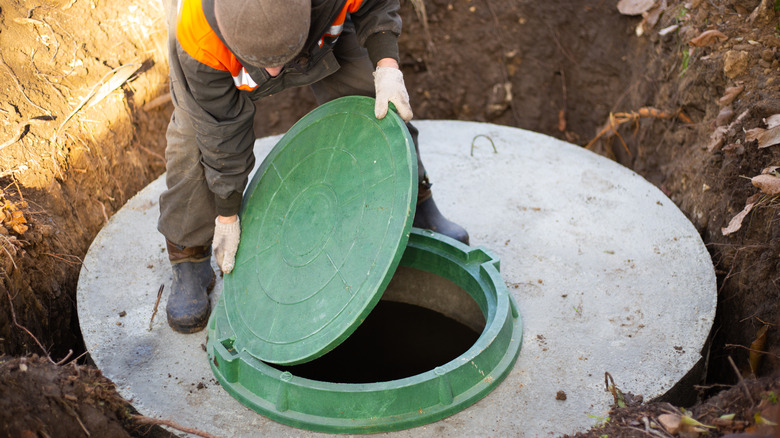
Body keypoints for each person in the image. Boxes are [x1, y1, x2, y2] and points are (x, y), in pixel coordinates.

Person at [158, 0, 469, 333]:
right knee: (194, 144)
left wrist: (386, 65)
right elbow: (221, 134)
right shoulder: (197, 35)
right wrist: (227, 212)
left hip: (319, 33)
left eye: (280, 61)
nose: (275, 75)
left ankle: (413, 199)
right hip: (218, 62)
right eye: (267, 65)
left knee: (373, 101)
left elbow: (377, 5)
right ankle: (189, 254)